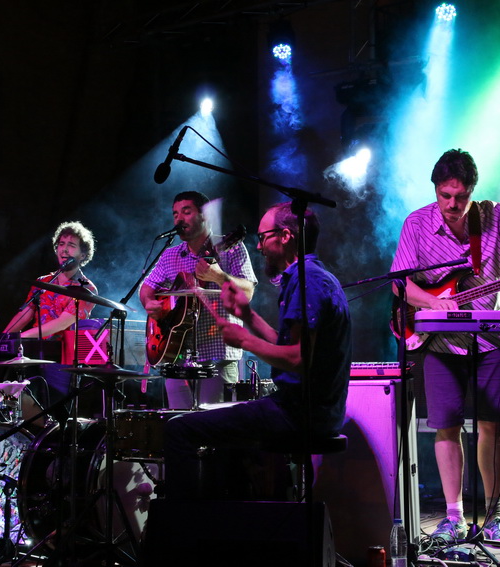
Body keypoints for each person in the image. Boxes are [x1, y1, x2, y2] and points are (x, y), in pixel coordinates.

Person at [390, 149, 500, 543]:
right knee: (445, 427)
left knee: (491, 426)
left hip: (490, 338)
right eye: (445, 195)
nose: (452, 204)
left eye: (460, 197)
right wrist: (432, 302)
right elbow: (400, 283)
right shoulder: (417, 223)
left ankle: (494, 517)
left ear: (472, 191)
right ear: (436, 190)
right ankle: (454, 518)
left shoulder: (494, 216)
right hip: (441, 341)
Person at [163, 201, 351, 500]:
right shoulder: (311, 276)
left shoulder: (308, 281)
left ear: (285, 236)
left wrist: (244, 341)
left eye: (263, 237)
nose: (260, 246)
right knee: (213, 427)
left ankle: (189, 523)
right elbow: (287, 345)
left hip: (299, 414)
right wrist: (247, 316)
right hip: (312, 411)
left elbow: (299, 359)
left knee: (179, 430)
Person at [140, 191, 257, 407]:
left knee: (213, 422)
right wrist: (150, 303)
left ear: (204, 215)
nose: (179, 219)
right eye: (175, 214)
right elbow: (147, 287)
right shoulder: (170, 255)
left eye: (186, 212)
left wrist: (218, 276)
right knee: (179, 420)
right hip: (177, 353)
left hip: (217, 353)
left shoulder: (232, 248)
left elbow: (247, 293)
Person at [3, 221, 99, 410]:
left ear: (83, 254)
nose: (64, 249)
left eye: (71, 245)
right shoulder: (43, 282)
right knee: (22, 406)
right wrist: (4, 338)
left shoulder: (86, 289)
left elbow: (62, 323)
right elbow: (25, 314)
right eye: (61, 244)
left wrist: (22, 337)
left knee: (56, 410)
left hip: (62, 359)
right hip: (32, 354)